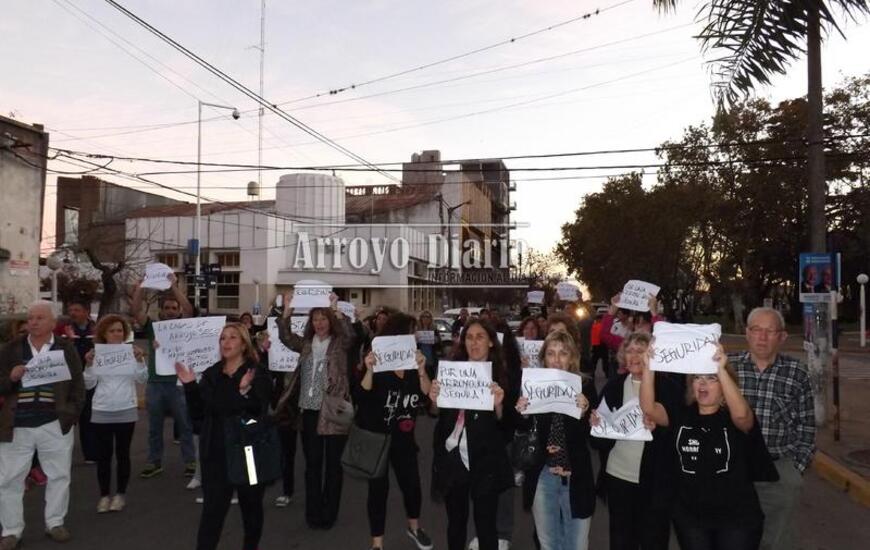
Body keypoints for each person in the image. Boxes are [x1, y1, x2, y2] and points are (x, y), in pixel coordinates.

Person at [640, 344, 776, 550]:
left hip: (736, 516)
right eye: (697, 378)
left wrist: (721, 369)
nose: (702, 383)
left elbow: (743, 418)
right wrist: (648, 368)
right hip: (691, 516)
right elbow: (649, 408)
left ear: (724, 385)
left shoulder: (734, 415)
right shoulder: (681, 412)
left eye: (711, 378)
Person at [176, 322, 272, 550]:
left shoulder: (256, 374)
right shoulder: (211, 374)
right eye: (223, 338)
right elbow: (199, 417)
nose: (226, 342)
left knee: (251, 507)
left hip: (248, 451)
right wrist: (190, 387)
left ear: (244, 345)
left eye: (232, 338)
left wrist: (243, 394)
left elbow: (256, 413)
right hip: (216, 452)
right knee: (212, 512)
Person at [0, 301, 85, 548]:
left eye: (39, 318)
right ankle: (11, 530)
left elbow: (78, 385)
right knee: (9, 479)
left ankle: (55, 523)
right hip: (17, 423)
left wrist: (71, 413)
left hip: (53, 422)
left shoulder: (65, 348)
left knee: (59, 475)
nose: (33, 322)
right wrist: (11, 378)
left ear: (52, 323)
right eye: (30, 318)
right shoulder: (11, 349)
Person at [728, 307, 815, 550]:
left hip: (779, 467)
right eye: (756, 330)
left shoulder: (796, 372)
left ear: (782, 337)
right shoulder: (728, 367)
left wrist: (796, 469)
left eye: (770, 331)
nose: (762, 337)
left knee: (776, 539)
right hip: (734, 468)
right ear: (747, 333)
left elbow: (807, 427)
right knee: (734, 535)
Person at [589, 333, 682, 550]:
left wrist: (657, 428)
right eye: (629, 351)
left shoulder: (668, 388)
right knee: (621, 542)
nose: (634, 356)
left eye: (641, 351)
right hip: (617, 477)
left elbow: (678, 433)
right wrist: (596, 427)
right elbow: (598, 444)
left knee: (654, 542)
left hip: (655, 484)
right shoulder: (613, 387)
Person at [429, 319, 514, 550]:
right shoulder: (451, 372)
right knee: (456, 522)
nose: (474, 342)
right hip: (452, 456)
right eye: (469, 337)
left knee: (486, 524)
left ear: (491, 343)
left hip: (485, 459)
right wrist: (434, 400)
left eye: (480, 337)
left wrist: (498, 405)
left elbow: (508, 426)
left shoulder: (502, 376)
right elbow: (437, 413)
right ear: (462, 341)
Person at [275, 292, 354, 529]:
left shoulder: (340, 344)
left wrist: (336, 309)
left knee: (333, 465)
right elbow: (286, 337)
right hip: (309, 411)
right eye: (316, 320)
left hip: (333, 410)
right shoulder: (306, 345)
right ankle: (313, 512)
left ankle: (329, 514)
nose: (320, 323)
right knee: (312, 465)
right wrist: (287, 310)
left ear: (330, 321)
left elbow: (350, 334)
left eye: (324, 319)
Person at [359, 313, 434, 550]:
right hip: (378, 437)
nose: (414, 336)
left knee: (412, 485)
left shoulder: (413, 363)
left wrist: (422, 370)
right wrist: (369, 370)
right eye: (411, 331)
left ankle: (414, 528)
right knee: (378, 491)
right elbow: (361, 395)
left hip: (405, 438)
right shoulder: (378, 360)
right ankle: (377, 543)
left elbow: (428, 396)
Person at [516, 330, 595, 550]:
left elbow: (595, 436)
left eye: (563, 353)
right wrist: (522, 412)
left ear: (572, 357)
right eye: (551, 353)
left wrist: (585, 412)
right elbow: (522, 430)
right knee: (549, 543)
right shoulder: (534, 386)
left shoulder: (585, 386)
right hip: (543, 475)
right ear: (544, 358)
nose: (557, 359)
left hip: (575, 475)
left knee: (576, 544)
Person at [131, 274, 198, 480]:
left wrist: (174, 286)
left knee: (185, 426)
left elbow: (190, 310)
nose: (170, 311)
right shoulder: (153, 327)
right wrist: (141, 288)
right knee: (154, 426)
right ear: (161, 311)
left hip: (178, 383)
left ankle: (190, 462)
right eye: (166, 308)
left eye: (173, 308)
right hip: (156, 383)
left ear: (177, 311)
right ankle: (154, 461)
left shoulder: (184, 326)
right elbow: (135, 311)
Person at [82, 314, 148, 513]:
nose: (117, 334)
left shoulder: (131, 352)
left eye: (120, 330)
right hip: (102, 410)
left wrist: (140, 360)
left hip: (126, 409)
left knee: (123, 454)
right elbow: (88, 383)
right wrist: (88, 364)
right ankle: (104, 495)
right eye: (112, 331)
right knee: (103, 456)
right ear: (103, 333)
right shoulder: (95, 354)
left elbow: (142, 379)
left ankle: (120, 494)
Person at [257, 330, 297, 508]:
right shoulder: (272, 357)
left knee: (301, 454)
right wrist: (263, 350)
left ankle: (289, 490)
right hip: (283, 409)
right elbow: (261, 371)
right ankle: (285, 489)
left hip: (303, 405)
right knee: (284, 450)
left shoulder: (308, 348)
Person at [56, 299, 98, 463]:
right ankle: (59, 453)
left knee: (88, 417)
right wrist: (69, 342)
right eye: (70, 310)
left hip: (88, 379)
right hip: (68, 381)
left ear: (87, 312)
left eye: (77, 310)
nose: (73, 313)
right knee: (66, 415)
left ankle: (91, 454)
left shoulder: (96, 329)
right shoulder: (62, 329)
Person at [417, 310, 442, 381]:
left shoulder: (434, 330)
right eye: (423, 317)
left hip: (431, 359)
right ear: (421, 318)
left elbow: (440, 345)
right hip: (420, 359)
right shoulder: (416, 330)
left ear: (431, 319)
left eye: (428, 317)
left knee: (430, 379)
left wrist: (436, 340)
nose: (425, 319)